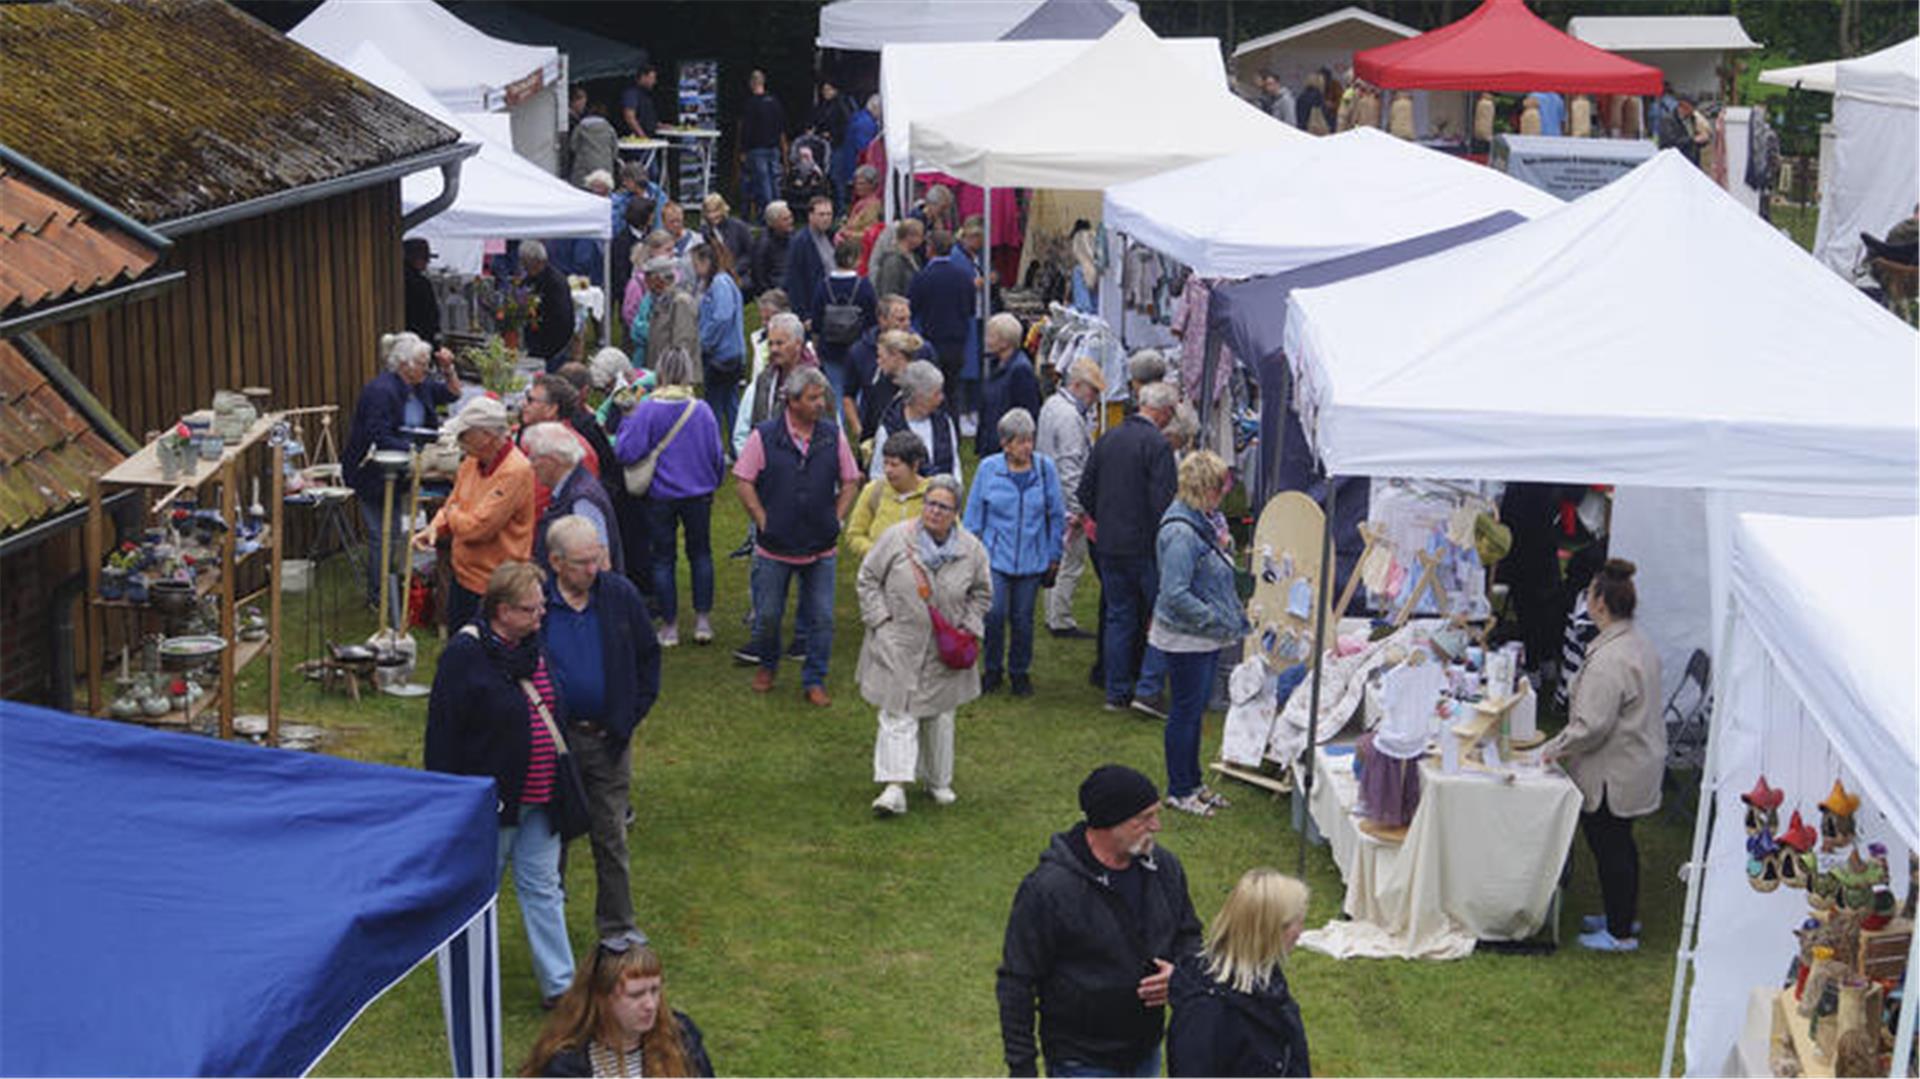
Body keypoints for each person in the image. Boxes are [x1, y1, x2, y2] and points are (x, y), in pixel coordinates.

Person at [425, 561, 574, 1007]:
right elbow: (444, 734)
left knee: (544, 888)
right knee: (477, 891)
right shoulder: (464, 656)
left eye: (541, 607)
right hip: (493, 803)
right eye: (530, 609)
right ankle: (466, 976)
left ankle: (561, 987)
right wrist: (449, 802)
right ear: (501, 610)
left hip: (543, 799)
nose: (540, 616)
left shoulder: (532, 644)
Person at [998, 763, 1204, 1078]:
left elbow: (1188, 934)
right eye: (1144, 818)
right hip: (1080, 1061)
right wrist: (1022, 1068)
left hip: (1146, 1051)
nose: (1157, 826)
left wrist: (1181, 975)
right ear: (1110, 823)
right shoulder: (1049, 890)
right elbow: (1017, 980)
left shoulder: (1164, 868)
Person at [541, 516, 660, 950]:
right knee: (552, 836)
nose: (594, 569)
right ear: (556, 562)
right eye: (582, 562)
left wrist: (628, 716)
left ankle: (618, 926)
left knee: (610, 834)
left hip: (607, 741)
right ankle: (548, 924)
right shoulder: (536, 604)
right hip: (551, 744)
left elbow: (649, 659)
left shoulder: (619, 595)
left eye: (598, 559)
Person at [1541, 559, 1663, 953]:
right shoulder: (1636, 643)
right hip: (1633, 761)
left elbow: (1592, 725)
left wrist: (1553, 749)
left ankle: (1620, 932)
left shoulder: (1610, 659)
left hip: (1616, 770)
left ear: (1600, 604)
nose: (1586, 603)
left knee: (1611, 847)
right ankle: (1620, 916)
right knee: (1619, 844)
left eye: (1589, 595)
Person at [857, 473, 992, 816]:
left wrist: (968, 627)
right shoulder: (895, 539)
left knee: (940, 715)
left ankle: (938, 781)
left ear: (955, 513)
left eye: (943, 507)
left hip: (944, 648)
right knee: (896, 710)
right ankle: (894, 787)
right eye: (930, 503)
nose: (934, 511)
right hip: (897, 641)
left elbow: (982, 593)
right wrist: (880, 621)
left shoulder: (971, 549)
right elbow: (868, 579)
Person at [734, 366, 860, 705]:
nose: (820, 403)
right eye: (812, 398)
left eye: (821, 397)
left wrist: (837, 517)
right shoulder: (764, 435)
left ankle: (814, 679)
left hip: (821, 547)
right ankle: (768, 664)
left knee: (822, 617)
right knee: (769, 615)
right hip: (775, 547)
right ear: (792, 402)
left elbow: (851, 479)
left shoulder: (832, 435)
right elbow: (743, 479)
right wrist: (761, 519)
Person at [1151, 451, 1249, 817]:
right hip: (1189, 636)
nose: (1224, 493)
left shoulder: (1202, 520)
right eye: (1220, 486)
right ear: (1204, 487)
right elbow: (1174, 592)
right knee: (1186, 711)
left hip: (1204, 634)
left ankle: (1193, 783)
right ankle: (1179, 789)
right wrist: (1211, 617)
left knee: (1194, 711)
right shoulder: (1180, 531)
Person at [616, 347, 726, 647]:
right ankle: (703, 622)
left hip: (661, 495)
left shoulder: (647, 409)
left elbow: (626, 452)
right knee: (701, 554)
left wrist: (626, 419)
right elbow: (717, 453)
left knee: (663, 559)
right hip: (699, 493)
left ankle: (670, 626)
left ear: (660, 372)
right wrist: (715, 482)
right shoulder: (701, 409)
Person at [1080, 381, 1179, 711]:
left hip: (1109, 543)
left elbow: (1085, 491)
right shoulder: (1158, 446)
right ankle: (1149, 688)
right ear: (1163, 411)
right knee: (1163, 615)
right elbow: (1162, 503)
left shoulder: (1108, 438)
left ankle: (1116, 691)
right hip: (1145, 547)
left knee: (1118, 617)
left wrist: (1105, 521)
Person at [342, 333, 458, 608]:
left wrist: (448, 369)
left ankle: (395, 587)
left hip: (402, 469)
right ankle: (380, 596)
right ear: (403, 365)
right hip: (375, 471)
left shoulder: (420, 386)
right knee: (383, 535)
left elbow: (453, 394)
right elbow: (377, 434)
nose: (426, 369)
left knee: (395, 531)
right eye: (421, 364)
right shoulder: (381, 391)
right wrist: (420, 448)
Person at [1167, 869, 1312, 1078]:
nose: (1301, 931)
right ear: (1271, 930)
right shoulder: (1205, 1010)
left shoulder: (1266, 978)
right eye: (1297, 922)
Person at [964, 408, 1064, 697]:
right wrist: (973, 556)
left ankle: (1020, 672)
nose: (1027, 447)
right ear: (1005, 444)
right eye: (1020, 441)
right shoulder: (987, 469)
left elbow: (1056, 515)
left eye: (1030, 440)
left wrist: (1054, 555)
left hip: (1033, 560)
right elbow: (973, 517)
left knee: (1022, 619)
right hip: (995, 558)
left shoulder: (1046, 469)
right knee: (993, 615)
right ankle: (992, 669)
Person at [414, 397, 537, 630]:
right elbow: (454, 502)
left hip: (496, 587)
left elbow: (477, 529)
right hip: (463, 579)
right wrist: (434, 528)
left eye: (464, 434)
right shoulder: (472, 461)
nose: (459, 441)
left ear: (486, 437)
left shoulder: (515, 471)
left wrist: (450, 514)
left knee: (487, 659)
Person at [522, 939, 714, 1078]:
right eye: (636, 995)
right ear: (601, 998)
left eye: (655, 990)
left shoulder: (681, 1035)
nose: (650, 1004)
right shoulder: (566, 1063)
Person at [1038, 357, 1105, 640]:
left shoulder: (1052, 405)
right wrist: (1078, 509)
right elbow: (1070, 465)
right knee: (1071, 560)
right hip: (1066, 500)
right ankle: (1061, 619)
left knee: (1055, 556)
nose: (1094, 399)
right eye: (1092, 392)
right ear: (1077, 386)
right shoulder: (1069, 417)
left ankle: (1051, 613)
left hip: (1050, 494)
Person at [524, 422, 623, 575]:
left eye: (534, 458)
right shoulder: (572, 489)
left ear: (552, 460)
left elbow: (599, 563)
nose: (531, 465)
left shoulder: (582, 499)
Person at [907, 230, 975, 415]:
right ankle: (953, 426)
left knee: (930, 387)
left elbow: (912, 308)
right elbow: (970, 308)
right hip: (957, 341)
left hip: (932, 339)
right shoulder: (964, 277)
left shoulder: (922, 277)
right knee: (952, 390)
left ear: (930, 249)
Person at [869, 360, 962, 484]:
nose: (941, 398)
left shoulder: (944, 422)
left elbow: (955, 465)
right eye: (936, 394)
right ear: (918, 397)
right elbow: (877, 475)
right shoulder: (889, 429)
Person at [810, 237, 879, 405]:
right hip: (858, 346)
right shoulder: (864, 286)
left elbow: (817, 320)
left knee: (836, 390)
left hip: (830, 346)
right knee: (863, 389)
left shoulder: (823, 286)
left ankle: (839, 425)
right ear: (855, 259)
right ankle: (860, 425)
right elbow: (872, 318)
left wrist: (816, 343)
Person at [689, 242, 745, 441]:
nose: (694, 268)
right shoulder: (723, 281)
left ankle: (715, 447)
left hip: (721, 355)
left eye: (695, 263)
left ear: (707, 261)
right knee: (730, 402)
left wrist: (704, 343)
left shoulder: (719, 283)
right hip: (731, 353)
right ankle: (737, 445)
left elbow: (721, 317)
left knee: (714, 404)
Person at [844, 430, 930, 560]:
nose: (887, 470)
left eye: (894, 464)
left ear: (914, 465)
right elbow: (854, 534)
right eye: (885, 463)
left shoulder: (935, 493)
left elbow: (952, 536)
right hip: (879, 573)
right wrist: (877, 553)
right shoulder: (873, 491)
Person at [851, 319, 926, 447]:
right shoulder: (879, 386)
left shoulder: (922, 390)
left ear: (896, 356)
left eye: (881, 356)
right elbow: (870, 427)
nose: (878, 361)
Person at [976, 312, 1040, 458]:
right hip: (993, 444)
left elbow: (1028, 413)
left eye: (991, 336)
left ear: (1005, 341)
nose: (986, 340)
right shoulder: (997, 365)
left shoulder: (1020, 370)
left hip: (1008, 449)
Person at [518, 240, 576, 372]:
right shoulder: (530, 280)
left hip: (552, 347)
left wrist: (546, 350)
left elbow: (563, 320)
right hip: (538, 344)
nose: (523, 266)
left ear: (537, 262)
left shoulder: (555, 283)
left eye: (525, 263)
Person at [739, 70, 788, 221]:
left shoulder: (751, 104)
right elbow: (781, 126)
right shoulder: (774, 101)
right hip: (774, 147)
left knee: (763, 183)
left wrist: (743, 149)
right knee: (775, 181)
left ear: (752, 84)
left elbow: (747, 129)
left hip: (757, 148)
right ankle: (780, 211)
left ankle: (768, 216)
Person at [783, 195, 836, 324]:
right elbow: (795, 281)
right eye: (821, 214)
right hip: (812, 308)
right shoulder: (800, 242)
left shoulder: (831, 235)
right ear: (810, 216)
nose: (826, 219)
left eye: (829, 214)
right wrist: (803, 315)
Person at [642, 257, 699, 372]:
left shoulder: (681, 301)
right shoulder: (660, 300)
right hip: (660, 374)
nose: (645, 281)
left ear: (659, 278)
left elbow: (682, 345)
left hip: (674, 377)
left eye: (648, 276)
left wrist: (673, 376)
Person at [868, 218, 924, 303]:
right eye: (920, 236)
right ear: (910, 236)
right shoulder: (893, 261)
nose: (922, 240)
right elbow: (888, 293)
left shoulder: (914, 257)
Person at [748, 201, 794, 301]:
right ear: (774, 223)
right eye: (785, 219)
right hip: (775, 290)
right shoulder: (763, 245)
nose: (791, 221)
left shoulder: (791, 237)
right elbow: (758, 276)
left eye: (790, 217)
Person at [569, 100, 620, 190]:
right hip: (605, 166)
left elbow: (573, 146)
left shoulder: (580, 127)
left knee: (583, 190)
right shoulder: (609, 128)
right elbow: (615, 149)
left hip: (584, 166)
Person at [699, 193, 753, 274]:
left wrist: (735, 269)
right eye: (708, 212)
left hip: (738, 274)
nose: (711, 216)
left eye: (715, 211)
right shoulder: (704, 231)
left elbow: (751, 253)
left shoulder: (739, 227)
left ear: (723, 209)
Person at [403, 239, 440, 342]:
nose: (428, 262)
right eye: (425, 258)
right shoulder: (420, 283)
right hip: (418, 340)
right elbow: (429, 317)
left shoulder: (394, 279)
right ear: (415, 259)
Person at [1657, 94, 1709, 167]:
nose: (1692, 111)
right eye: (1690, 108)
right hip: (1675, 162)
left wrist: (1703, 140)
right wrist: (1693, 140)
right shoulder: (1668, 120)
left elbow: (1695, 137)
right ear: (1683, 106)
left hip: (1692, 162)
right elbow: (1670, 142)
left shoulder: (1692, 119)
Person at [620, 63, 660, 140]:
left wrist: (660, 125)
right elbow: (630, 117)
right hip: (636, 141)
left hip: (649, 136)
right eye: (652, 78)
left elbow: (646, 118)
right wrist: (643, 137)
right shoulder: (631, 93)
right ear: (643, 77)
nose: (654, 82)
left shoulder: (646, 94)